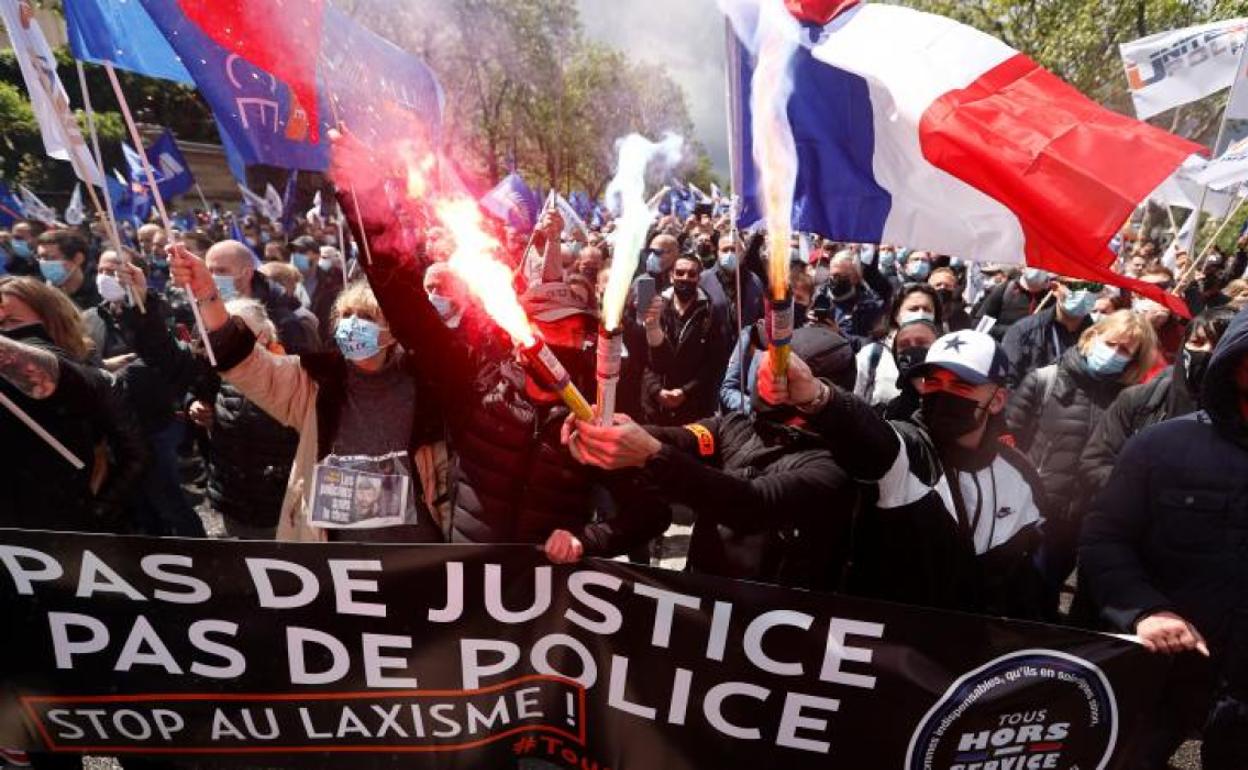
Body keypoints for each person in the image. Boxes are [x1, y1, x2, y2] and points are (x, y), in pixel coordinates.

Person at [328, 128, 671, 559]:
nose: (559, 340)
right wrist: (364, 199)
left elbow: (652, 511)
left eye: (572, 329)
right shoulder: (477, 382)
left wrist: (586, 539)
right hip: (469, 577)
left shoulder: (594, 418)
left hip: (543, 586)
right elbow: (407, 306)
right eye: (546, 327)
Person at [757, 328, 1048, 619]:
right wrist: (818, 396)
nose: (943, 394)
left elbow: (1028, 575)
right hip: (889, 637)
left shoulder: (1021, 475)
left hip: (975, 640)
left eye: (961, 385)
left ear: (997, 400)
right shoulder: (911, 451)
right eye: (933, 382)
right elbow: (871, 437)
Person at [168, 249, 446, 542]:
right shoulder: (315, 381)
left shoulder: (425, 385)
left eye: (366, 317)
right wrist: (208, 294)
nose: (352, 324)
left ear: (392, 331)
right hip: (335, 552)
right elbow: (248, 364)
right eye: (345, 316)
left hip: (414, 552)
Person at [563, 325, 859, 590]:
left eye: (779, 367)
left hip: (770, 615)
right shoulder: (739, 425)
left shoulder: (831, 466)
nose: (763, 371)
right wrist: (613, 428)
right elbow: (681, 438)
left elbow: (751, 504)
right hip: (703, 597)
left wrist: (652, 455)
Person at [1080, 307, 1248, 770]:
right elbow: (1104, 538)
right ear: (1235, 361)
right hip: (1161, 673)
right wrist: (1144, 610)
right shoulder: (1161, 447)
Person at [1004, 310, 1157, 615]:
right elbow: (1008, 443)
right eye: (1110, 343)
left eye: (1124, 350)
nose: (1114, 353)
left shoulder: (1131, 401)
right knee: (1025, 596)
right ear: (1091, 337)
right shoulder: (1044, 380)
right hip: (1035, 514)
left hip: (1087, 518)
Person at [0, 276, 148, 533]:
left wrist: (98, 510)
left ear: (50, 322)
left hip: (74, 529)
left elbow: (135, 456)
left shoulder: (85, 376)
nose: (5, 333)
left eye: (11, 322)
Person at [1081, 307, 1236, 494]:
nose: (1206, 352)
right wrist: (1144, 491)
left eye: (1218, 345)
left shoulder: (1238, 417)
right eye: (1197, 342)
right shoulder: (1139, 400)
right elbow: (1096, 464)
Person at [641, 253, 727, 425]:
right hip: (655, 406)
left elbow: (714, 362)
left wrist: (685, 391)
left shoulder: (711, 312)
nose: (685, 278)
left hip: (693, 406)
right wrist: (656, 390)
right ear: (671, 276)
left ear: (699, 278)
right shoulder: (655, 307)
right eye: (680, 273)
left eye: (691, 274)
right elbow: (642, 357)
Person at [204, 239, 319, 354]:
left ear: (247, 273)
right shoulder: (203, 313)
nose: (213, 277)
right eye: (209, 271)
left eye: (222, 271)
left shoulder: (283, 320)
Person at [1000, 276, 1097, 386]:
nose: (1084, 293)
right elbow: (1007, 384)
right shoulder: (1023, 332)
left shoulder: (1102, 340)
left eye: (1093, 287)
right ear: (1055, 288)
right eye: (1076, 286)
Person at [854, 284, 941, 406]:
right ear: (896, 315)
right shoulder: (872, 354)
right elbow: (855, 402)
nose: (921, 314)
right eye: (914, 309)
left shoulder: (944, 355)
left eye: (927, 309)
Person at [809, 250, 886, 347]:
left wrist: (839, 335)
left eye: (840, 276)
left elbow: (870, 346)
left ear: (856, 277)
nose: (834, 280)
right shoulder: (818, 295)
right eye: (832, 276)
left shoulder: (871, 306)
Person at [977, 266, 1051, 340]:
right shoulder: (1004, 290)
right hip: (1002, 344)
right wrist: (1014, 331)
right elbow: (981, 325)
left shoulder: (1050, 296)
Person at [35, 230, 99, 310]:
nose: (43, 263)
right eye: (40, 258)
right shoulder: (40, 297)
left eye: (50, 258)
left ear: (78, 259)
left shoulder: (100, 293)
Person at [929, 266, 972, 331]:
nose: (942, 287)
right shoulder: (923, 312)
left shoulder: (961, 316)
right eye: (938, 285)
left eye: (947, 285)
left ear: (954, 288)